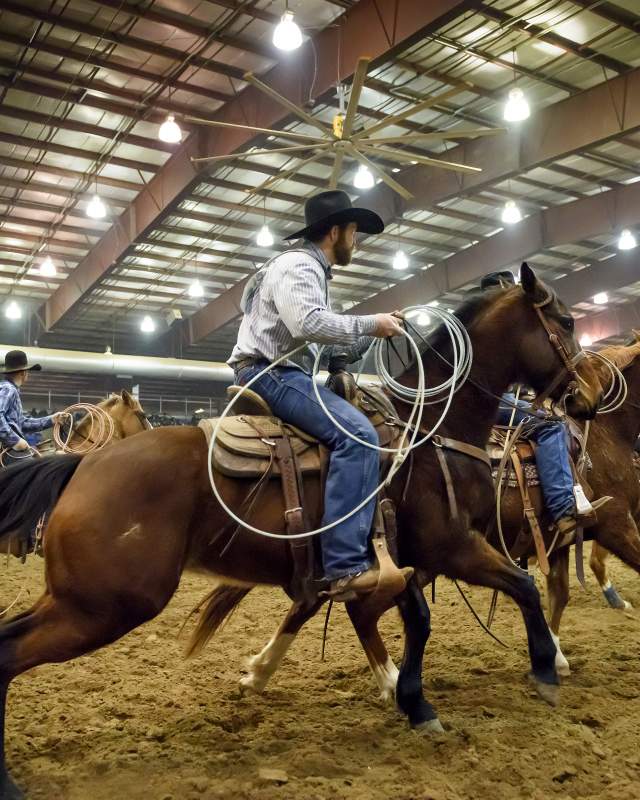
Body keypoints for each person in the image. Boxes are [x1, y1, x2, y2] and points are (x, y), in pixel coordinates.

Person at [228, 190, 413, 600]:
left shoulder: (303, 269)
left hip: (277, 370)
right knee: (359, 436)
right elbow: (308, 324)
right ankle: (344, 565)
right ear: (334, 232)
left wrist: (371, 335)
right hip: (270, 374)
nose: (356, 241)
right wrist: (370, 323)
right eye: (353, 232)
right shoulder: (299, 265)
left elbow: (317, 344)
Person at [481, 271, 605, 538]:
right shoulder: (498, 324)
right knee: (551, 425)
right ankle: (563, 508)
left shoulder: (477, 323)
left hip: (490, 398)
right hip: (490, 400)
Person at [0, 350, 63, 463]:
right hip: (6, 449)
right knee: (37, 471)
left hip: (7, 447)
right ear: (23, 373)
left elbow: (22, 423)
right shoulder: (8, 389)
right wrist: (14, 441)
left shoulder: (10, 389)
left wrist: (51, 419)